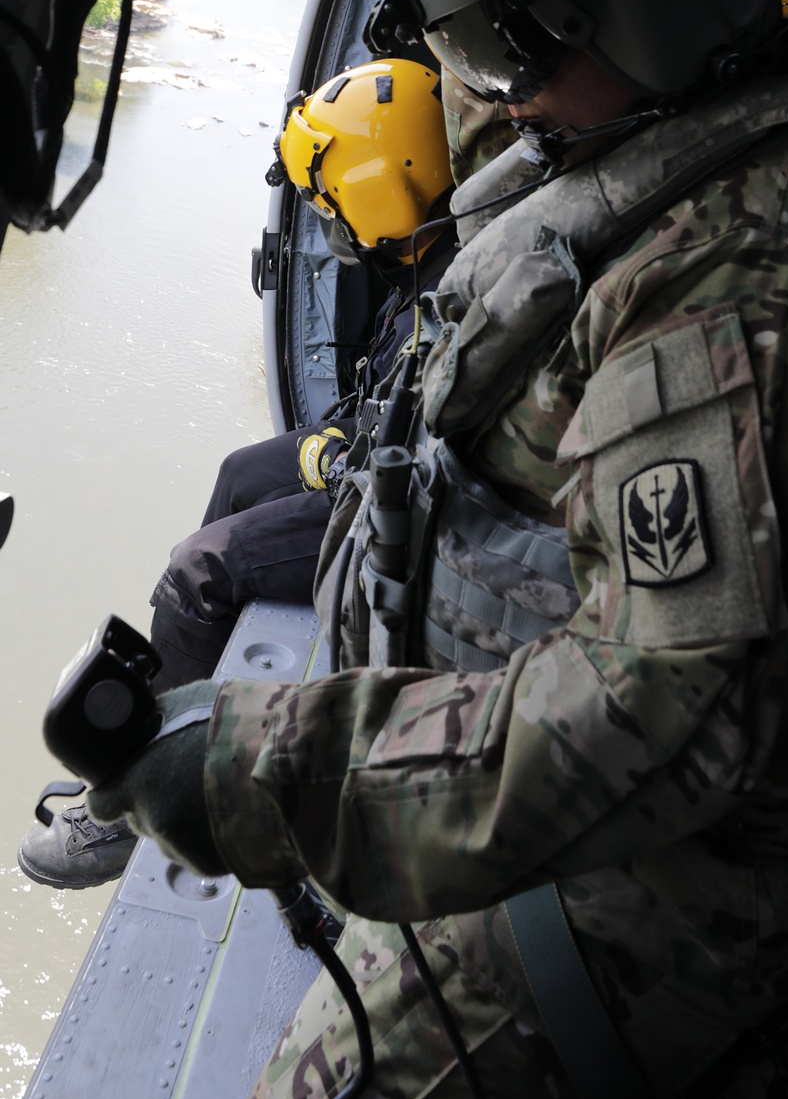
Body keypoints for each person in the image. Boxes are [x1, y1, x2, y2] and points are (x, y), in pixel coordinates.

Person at [84, 0, 788, 1099]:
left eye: (514, 45)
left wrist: (276, 771)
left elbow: (650, 722)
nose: (496, 98)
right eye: (468, 49)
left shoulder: (764, 273)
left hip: (658, 905)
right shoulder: (686, 157)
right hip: (566, 812)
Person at [18, 56, 460, 891]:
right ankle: (170, 690)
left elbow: (397, 456)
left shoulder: (444, 296)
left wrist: (326, 456)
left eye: (333, 199)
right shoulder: (422, 260)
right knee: (239, 471)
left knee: (200, 570)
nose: (326, 218)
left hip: (402, 511)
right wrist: (318, 450)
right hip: (368, 461)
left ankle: (124, 804)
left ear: (379, 191)